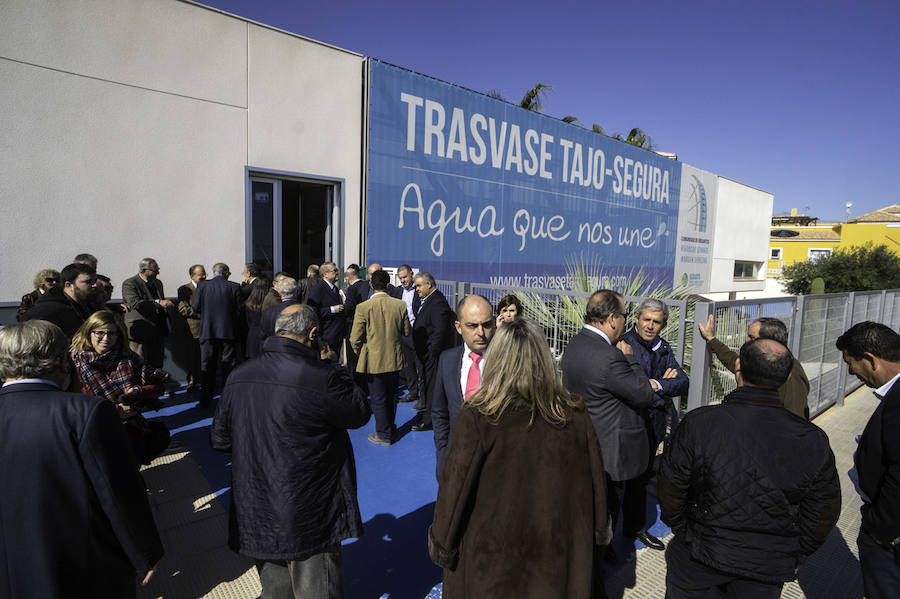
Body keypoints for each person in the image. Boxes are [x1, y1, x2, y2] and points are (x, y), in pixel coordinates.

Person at [429, 318, 611, 599]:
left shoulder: (479, 416)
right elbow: (597, 480)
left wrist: (442, 545)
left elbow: (454, 489)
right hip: (557, 558)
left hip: (493, 564)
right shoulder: (574, 413)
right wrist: (599, 531)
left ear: (497, 359)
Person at [658, 338, 841, 599]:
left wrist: (686, 533)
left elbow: (670, 488)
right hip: (765, 566)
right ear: (788, 376)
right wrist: (794, 553)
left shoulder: (700, 423)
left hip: (699, 556)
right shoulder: (813, 439)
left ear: (738, 366)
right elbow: (824, 511)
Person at [211, 304, 371, 599]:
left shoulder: (239, 375)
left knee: (274, 591)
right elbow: (359, 412)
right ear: (312, 333)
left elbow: (220, 440)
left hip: (256, 506)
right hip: (310, 510)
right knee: (317, 589)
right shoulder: (321, 376)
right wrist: (335, 366)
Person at [0, 320, 163, 598]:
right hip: (80, 561)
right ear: (63, 360)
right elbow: (117, 491)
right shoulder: (87, 412)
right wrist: (143, 552)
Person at [560, 289, 663, 559]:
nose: (627, 323)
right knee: (607, 509)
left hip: (583, 439)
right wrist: (631, 359)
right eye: (626, 316)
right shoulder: (612, 356)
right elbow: (643, 393)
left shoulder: (575, 344)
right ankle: (601, 558)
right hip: (611, 450)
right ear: (612, 318)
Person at [618, 298, 689, 551]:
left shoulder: (663, 347)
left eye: (656, 322)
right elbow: (630, 389)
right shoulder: (623, 345)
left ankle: (634, 528)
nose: (650, 325)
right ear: (636, 319)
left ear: (664, 324)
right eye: (646, 319)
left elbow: (682, 382)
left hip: (653, 427)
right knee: (618, 482)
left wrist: (656, 384)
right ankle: (607, 542)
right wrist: (657, 388)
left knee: (640, 480)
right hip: (628, 424)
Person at [836, 321, 900, 598]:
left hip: (889, 537)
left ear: (870, 360)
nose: (851, 371)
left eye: (851, 363)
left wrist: (879, 529)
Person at [70, 311, 171, 465]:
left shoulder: (128, 356)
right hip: (95, 435)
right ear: (89, 332)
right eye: (100, 333)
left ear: (119, 335)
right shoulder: (74, 363)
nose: (106, 338)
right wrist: (116, 411)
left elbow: (157, 386)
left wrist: (138, 391)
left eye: (112, 333)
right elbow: (73, 403)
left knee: (132, 475)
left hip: (131, 432)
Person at [432, 294, 496, 479]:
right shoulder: (447, 360)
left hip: (494, 470)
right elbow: (439, 411)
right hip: (454, 464)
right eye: (472, 325)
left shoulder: (506, 364)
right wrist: (443, 451)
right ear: (458, 327)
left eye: (486, 324)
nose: (481, 332)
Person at [698, 314, 810, 418]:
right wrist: (711, 339)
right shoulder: (763, 360)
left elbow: (796, 417)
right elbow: (734, 361)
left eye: (751, 337)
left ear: (769, 342)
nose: (746, 340)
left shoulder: (791, 372)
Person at [350, 269, 410, 445]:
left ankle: (384, 435)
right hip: (394, 357)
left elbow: (355, 338)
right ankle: (389, 429)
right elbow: (406, 331)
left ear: (371, 285)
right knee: (392, 396)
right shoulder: (399, 305)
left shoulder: (363, 307)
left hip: (372, 360)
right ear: (388, 285)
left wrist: (360, 353)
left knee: (377, 398)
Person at [192, 262, 243, 407]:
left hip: (208, 331)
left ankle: (205, 399)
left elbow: (195, 308)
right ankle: (228, 399)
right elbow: (239, 309)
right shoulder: (234, 286)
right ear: (226, 273)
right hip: (228, 331)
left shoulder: (202, 286)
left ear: (213, 272)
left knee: (207, 365)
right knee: (228, 366)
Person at [411, 271, 456, 431]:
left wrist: (432, 353)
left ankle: (430, 419)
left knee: (433, 387)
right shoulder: (429, 300)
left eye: (418, 285)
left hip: (433, 356)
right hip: (427, 354)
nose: (416, 289)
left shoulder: (437, 302)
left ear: (428, 284)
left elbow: (440, 330)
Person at [122, 258, 173, 368]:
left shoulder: (157, 283)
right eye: (155, 270)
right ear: (144, 270)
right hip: (140, 331)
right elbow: (134, 303)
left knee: (157, 364)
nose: (158, 272)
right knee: (139, 363)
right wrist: (158, 302)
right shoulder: (130, 283)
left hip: (157, 331)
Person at [23, 262, 97, 337]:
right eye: (88, 282)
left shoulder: (89, 306)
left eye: (95, 281)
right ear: (68, 285)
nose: (95, 285)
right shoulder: (47, 312)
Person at [306, 261, 347, 359]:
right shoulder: (318, 289)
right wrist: (332, 309)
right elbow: (313, 311)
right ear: (325, 274)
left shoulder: (335, 289)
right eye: (334, 270)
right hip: (326, 335)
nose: (337, 272)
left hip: (336, 334)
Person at [392, 264, 421, 404]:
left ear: (412, 275)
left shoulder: (419, 290)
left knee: (420, 365)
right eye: (400, 278)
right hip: (403, 334)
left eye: (405, 277)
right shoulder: (397, 292)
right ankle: (413, 392)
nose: (403, 280)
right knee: (408, 365)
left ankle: (425, 396)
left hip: (418, 333)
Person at [177, 264, 206, 389]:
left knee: (206, 357)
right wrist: (203, 315)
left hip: (208, 329)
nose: (204, 276)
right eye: (201, 274)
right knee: (193, 356)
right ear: (192, 276)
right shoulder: (184, 289)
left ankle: (206, 380)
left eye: (205, 273)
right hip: (193, 329)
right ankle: (192, 380)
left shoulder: (208, 287)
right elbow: (183, 309)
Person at [259, 276, 299, 344]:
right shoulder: (305, 310)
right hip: (297, 351)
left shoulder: (268, 312)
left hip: (274, 349)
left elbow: (263, 337)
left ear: (279, 292)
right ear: (297, 291)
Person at [243, 276, 271, 359]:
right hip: (266, 335)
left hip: (252, 334)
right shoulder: (269, 302)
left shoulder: (248, 303)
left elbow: (247, 321)